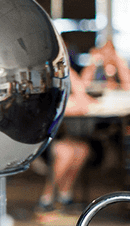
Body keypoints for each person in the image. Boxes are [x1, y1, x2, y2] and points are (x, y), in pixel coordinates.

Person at [36, 67, 97, 215]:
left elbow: (86, 102)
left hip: (59, 139)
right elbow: (82, 105)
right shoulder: (46, 90)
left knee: (82, 149)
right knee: (67, 152)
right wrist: (74, 77)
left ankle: (64, 195)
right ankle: (46, 198)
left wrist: (74, 77)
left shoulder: (65, 94)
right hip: (39, 144)